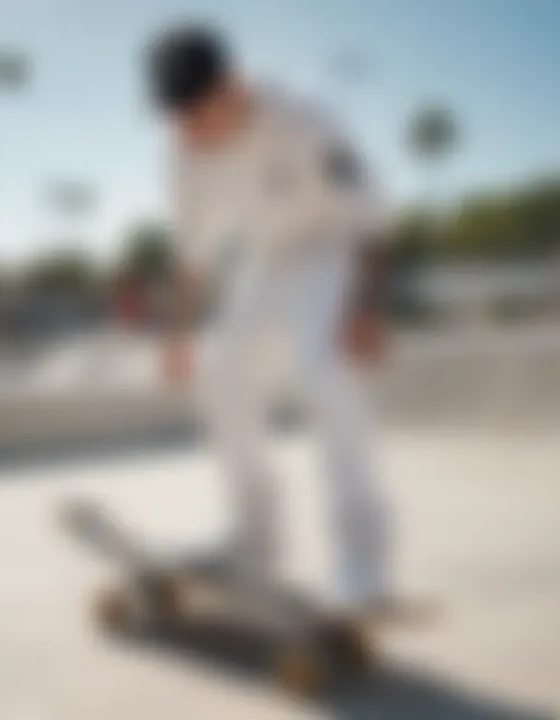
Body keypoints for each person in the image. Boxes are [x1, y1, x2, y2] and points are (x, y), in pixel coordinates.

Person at [145, 24, 393, 616]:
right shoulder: (182, 145)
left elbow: (370, 219)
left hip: (333, 245)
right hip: (267, 259)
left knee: (324, 370)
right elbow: (189, 255)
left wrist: (367, 308)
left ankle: (363, 561)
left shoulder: (306, 117)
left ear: (231, 87)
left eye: (201, 118)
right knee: (219, 375)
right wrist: (177, 337)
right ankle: (253, 536)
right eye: (181, 122)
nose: (194, 136)